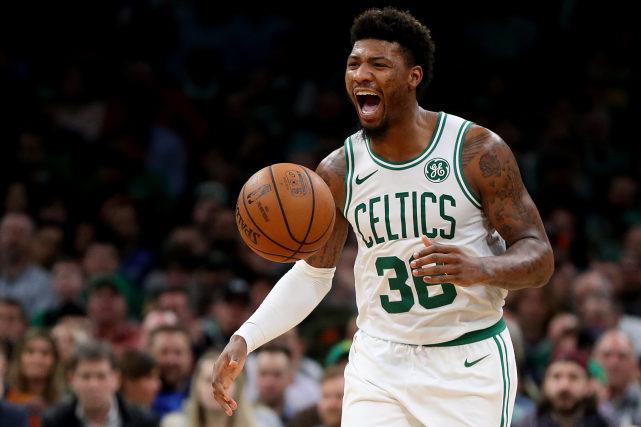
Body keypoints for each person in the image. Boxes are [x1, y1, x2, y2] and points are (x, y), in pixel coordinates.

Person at [212, 7, 554, 426]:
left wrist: (481, 268)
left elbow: (539, 257)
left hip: (468, 361)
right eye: (354, 64)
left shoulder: (476, 151)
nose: (361, 75)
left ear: (413, 76)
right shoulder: (339, 170)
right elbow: (313, 275)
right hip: (379, 362)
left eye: (378, 64)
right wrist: (246, 336)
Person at [41, 340, 158, 427]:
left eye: (101, 377)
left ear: (116, 379)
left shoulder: (144, 421)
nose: (93, 385)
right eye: (86, 376)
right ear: (71, 379)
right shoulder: (54, 421)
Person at [161, 351, 281, 427]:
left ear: (239, 386)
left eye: (225, 381)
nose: (217, 388)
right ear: (196, 385)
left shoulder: (265, 422)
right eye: (209, 380)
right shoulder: (174, 424)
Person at [514, 351, 612, 427]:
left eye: (573, 377)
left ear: (588, 385)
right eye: (556, 377)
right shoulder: (528, 424)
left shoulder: (606, 423)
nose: (564, 386)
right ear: (545, 384)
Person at [0, 213, 55, 319]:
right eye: (8, 232)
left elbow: (41, 321)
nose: (13, 239)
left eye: (20, 233)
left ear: (31, 240)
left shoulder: (45, 282)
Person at [6, 329, 64, 427]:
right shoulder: (5, 397)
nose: (37, 360)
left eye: (45, 353)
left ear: (55, 360)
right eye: (30, 352)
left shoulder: (65, 402)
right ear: (19, 358)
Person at [593, 330, 641, 425]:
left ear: (634, 364)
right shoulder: (583, 400)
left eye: (622, 356)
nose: (614, 363)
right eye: (607, 355)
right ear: (594, 361)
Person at [149, 324, 194, 417]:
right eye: (164, 352)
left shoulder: (206, 395)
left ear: (190, 357)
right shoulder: (134, 399)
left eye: (178, 352)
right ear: (150, 354)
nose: (171, 361)